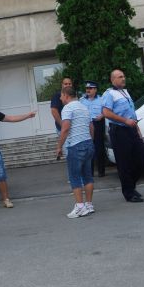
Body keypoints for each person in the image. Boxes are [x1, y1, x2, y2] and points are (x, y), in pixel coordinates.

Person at [101, 69, 144, 203]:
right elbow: (106, 113)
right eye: (120, 77)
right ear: (113, 80)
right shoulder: (109, 94)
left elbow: (132, 114)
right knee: (124, 163)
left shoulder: (125, 92)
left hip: (132, 129)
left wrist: (138, 130)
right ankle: (129, 193)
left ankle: (131, 186)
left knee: (140, 159)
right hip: (119, 131)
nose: (123, 79)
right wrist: (125, 121)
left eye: (124, 76)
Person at [55, 87, 95, 218]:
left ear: (66, 95)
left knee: (74, 176)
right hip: (88, 143)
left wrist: (59, 146)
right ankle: (89, 205)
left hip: (75, 146)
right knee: (88, 176)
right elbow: (91, 127)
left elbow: (65, 129)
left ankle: (79, 207)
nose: (60, 99)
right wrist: (90, 141)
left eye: (61, 96)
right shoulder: (84, 107)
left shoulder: (67, 108)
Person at [80, 80, 106, 177]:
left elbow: (107, 110)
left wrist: (102, 115)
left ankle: (101, 171)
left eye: (90, 88)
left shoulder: (101, 99)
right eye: (87, 88)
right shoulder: (82, 100)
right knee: (88, 149)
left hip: (98, 124)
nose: (88, 90)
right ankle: (89, 172)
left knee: (99, 148)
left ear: (95, 89)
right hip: (86, 125)